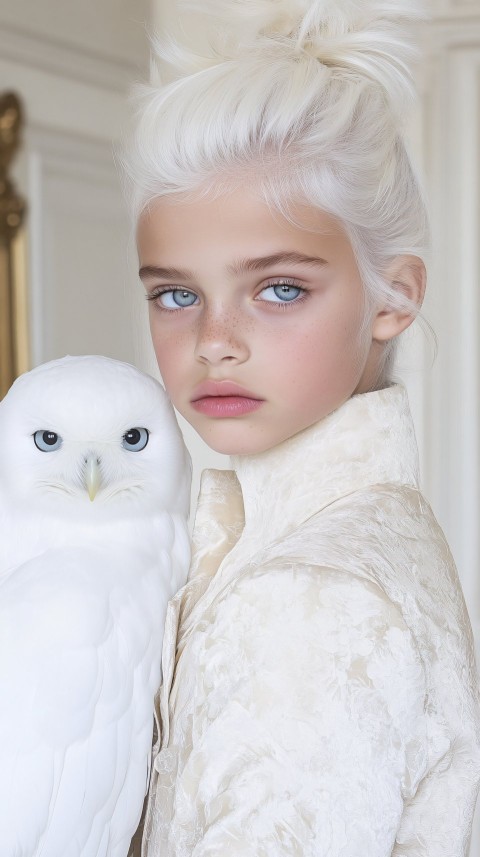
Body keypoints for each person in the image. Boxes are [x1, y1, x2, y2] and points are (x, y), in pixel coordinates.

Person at [123, 0, 480, 854]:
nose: (213, 341)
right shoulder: (335, 538)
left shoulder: (311, 593)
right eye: (177, 293)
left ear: (395, 296)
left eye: (279, 287)